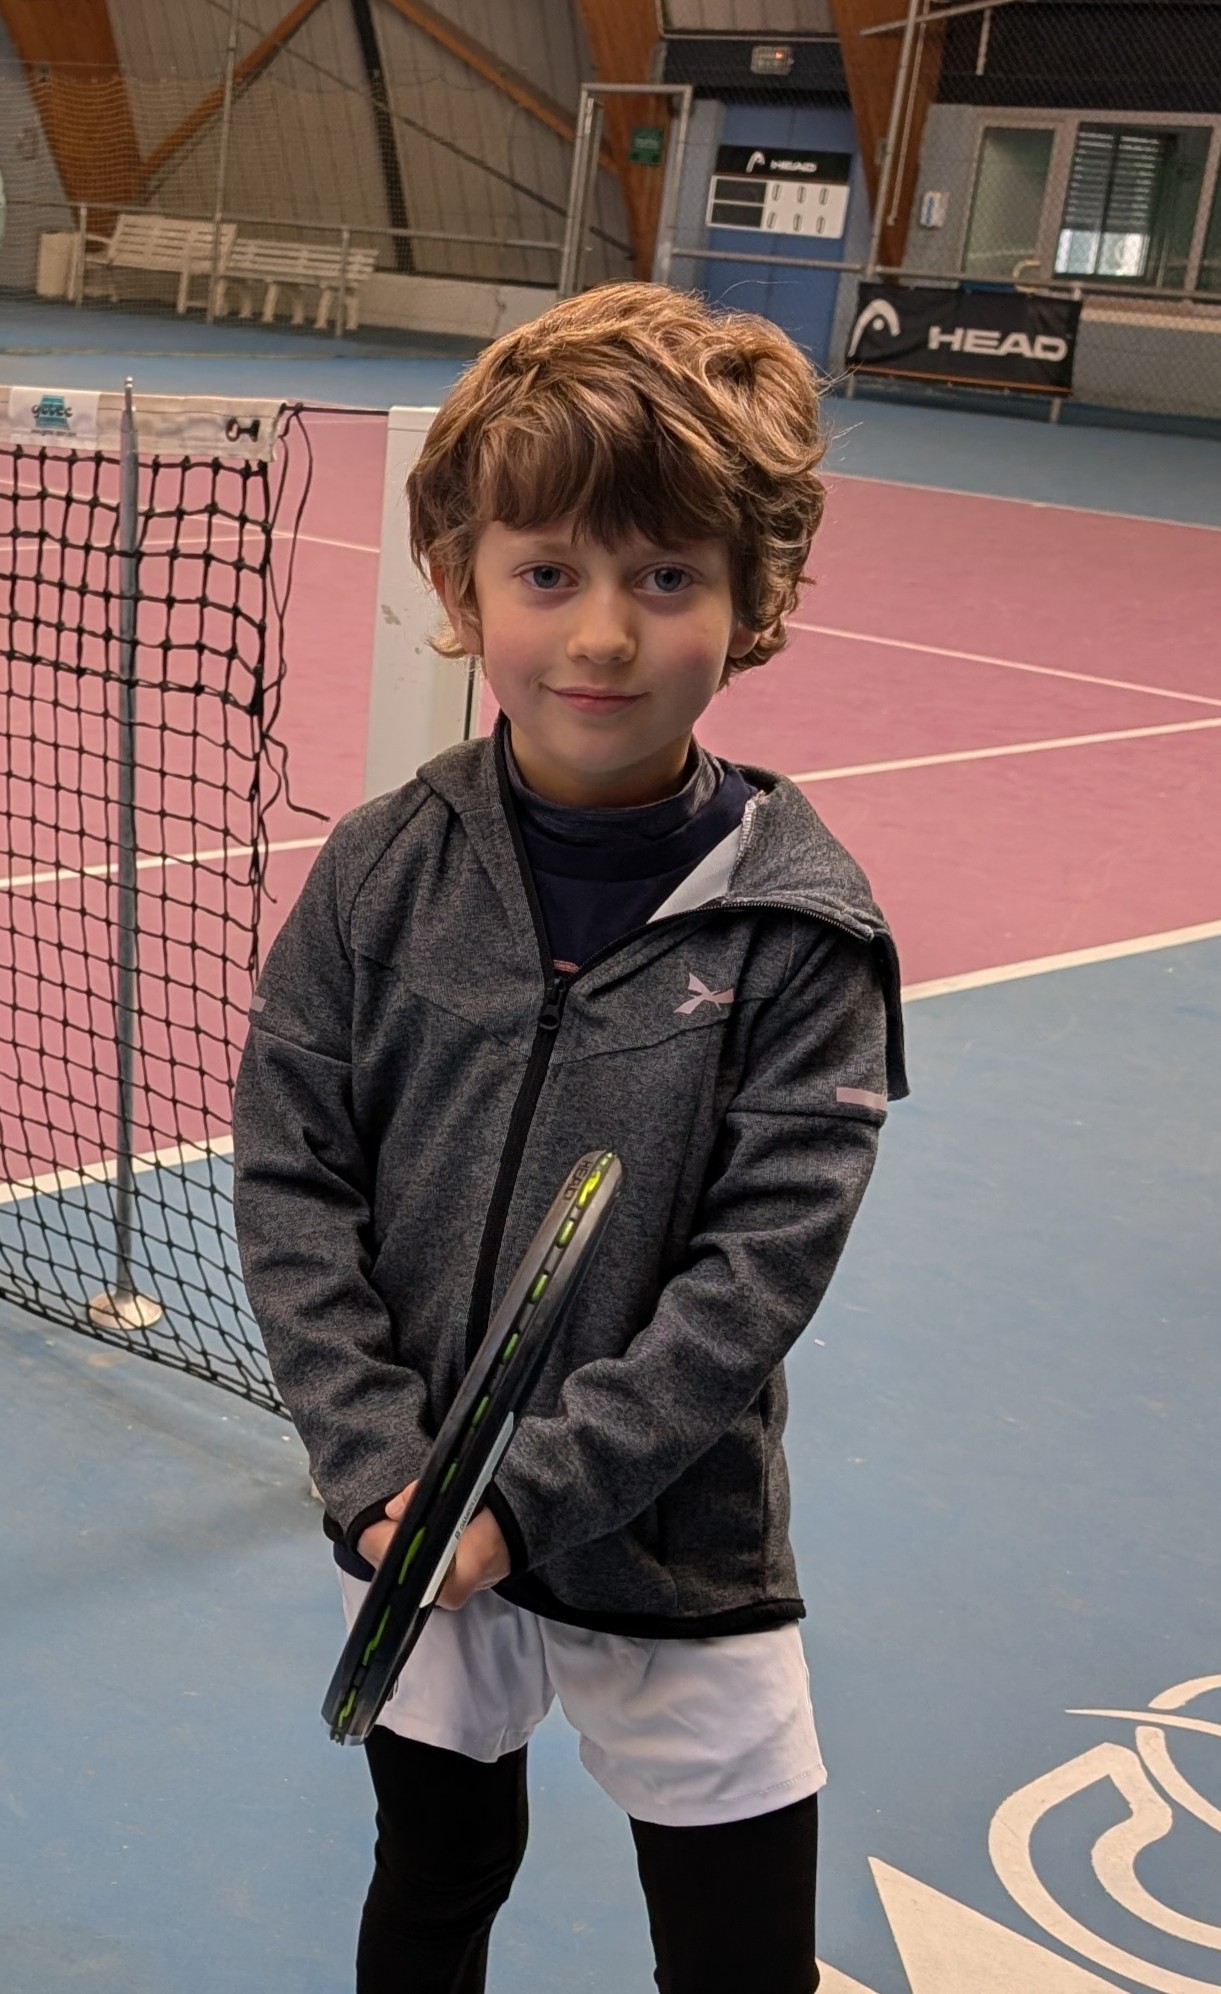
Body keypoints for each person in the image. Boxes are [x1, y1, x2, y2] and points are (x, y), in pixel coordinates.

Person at [233, 279, 907, 1994]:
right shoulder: (377, 873)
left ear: (751, 601)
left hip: (674, 1549)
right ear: (459, 584)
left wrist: (523, 1499)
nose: (601, 633)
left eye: (665, 576)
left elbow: (750, 1286)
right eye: (548, 574)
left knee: (738, 1954)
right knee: (434, 1874)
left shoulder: (803, 932)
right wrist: (379, 1468)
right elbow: (293, 1177)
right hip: (410, 1521)